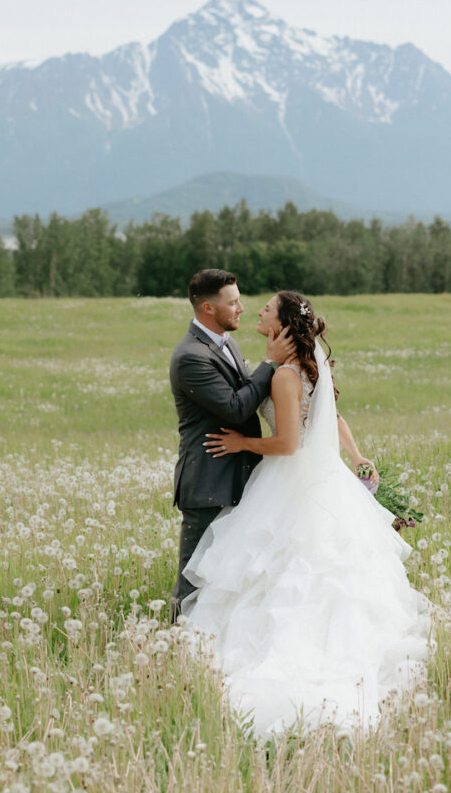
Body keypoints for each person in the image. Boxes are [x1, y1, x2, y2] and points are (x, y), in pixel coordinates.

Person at [182, 291, 432, 738]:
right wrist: (356, 456)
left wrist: (243, 445)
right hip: (323, 481)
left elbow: (289, 444)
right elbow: (331, 416)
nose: (255, 312)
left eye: (264, 310)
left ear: (281, 324)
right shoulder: (307, 366)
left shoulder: (283, 376)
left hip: (289, 479)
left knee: (282, 566)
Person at [169, 269, 294, 624]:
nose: (242, 308)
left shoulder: (227, 343)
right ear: (208, 308)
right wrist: (270, 363)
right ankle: (176, 646)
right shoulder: (191, 356)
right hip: (208, 482)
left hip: (239, 478)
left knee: (229, 579)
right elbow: (236, 407)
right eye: (233, 302)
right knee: (193, 578)